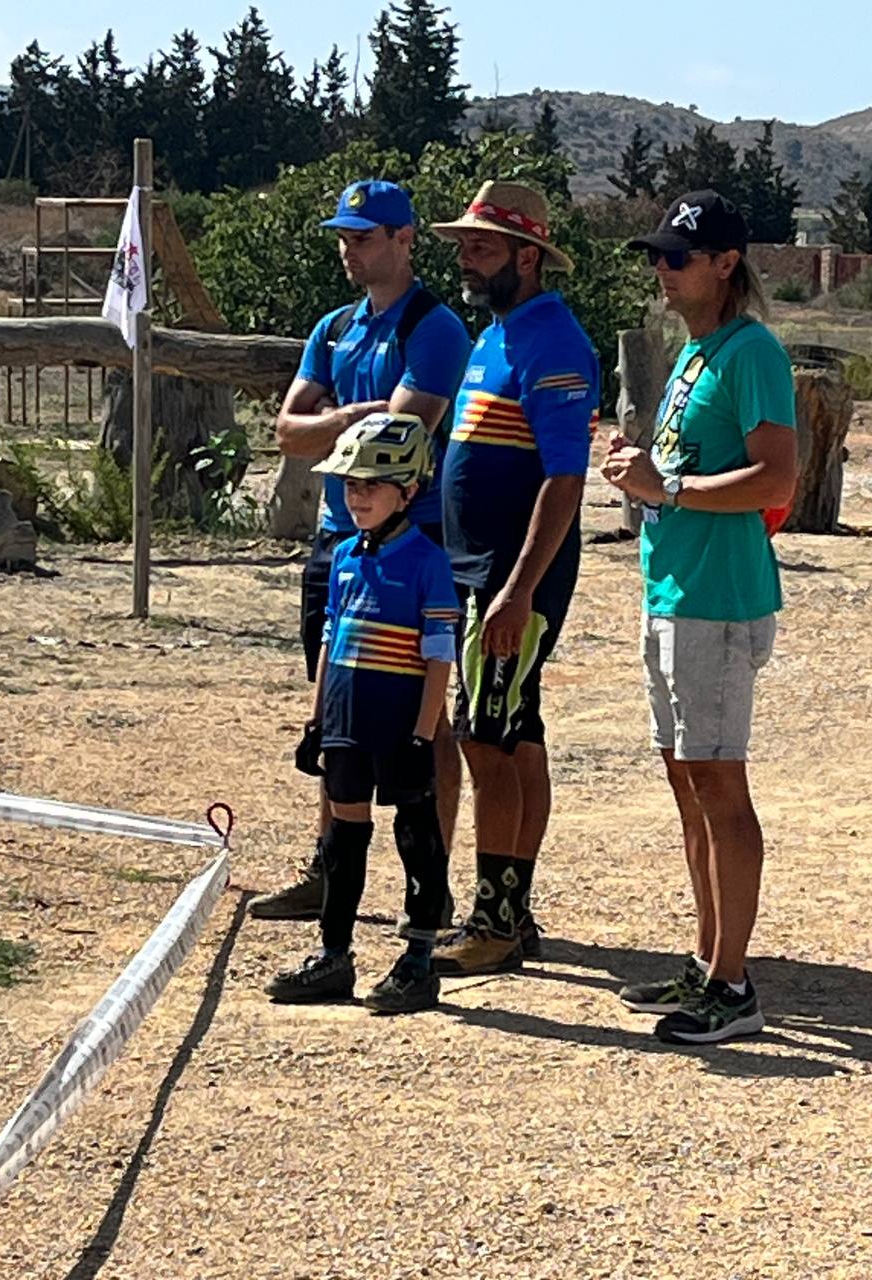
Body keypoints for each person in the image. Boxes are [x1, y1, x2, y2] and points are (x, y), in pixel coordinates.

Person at [602, 189, 797, 1045]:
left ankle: (733, 985)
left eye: (677, 258)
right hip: (675, 588)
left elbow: (777, 481)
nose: (662, 270)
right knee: (688, 783)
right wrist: (643, 473)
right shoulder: (695, 354)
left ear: (726, 264)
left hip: (717, 599)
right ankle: (708, 956)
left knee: (720, 783)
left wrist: (667, 487)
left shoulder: (752, 352)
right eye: (657, 256)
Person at [249, 179, 470, 921]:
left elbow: (394, 447)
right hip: (338, 544)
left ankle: (428, 888)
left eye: (364, 237)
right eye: (343, 236)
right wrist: (359, 414)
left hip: (412, 544)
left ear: (405, 240)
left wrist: (336, 426)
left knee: (425, 715)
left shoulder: (434, 329)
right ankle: (329, 869)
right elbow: (286, 432)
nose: (349, 249)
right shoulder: (334, 326)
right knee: (337, 703)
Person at [425, 181, 600, 977]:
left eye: (483, 248)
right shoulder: (492, 334)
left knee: (485, 738)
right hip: (475, 571)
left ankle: (492, 922)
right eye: (463, 246)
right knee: (515, 734)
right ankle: (512, 912)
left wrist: (519, 587)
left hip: (508, 578)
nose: (467, 260)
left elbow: (565, 479)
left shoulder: (554, 343)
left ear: (528, 258)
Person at [264, 413, 460, 1014]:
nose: (358, 497)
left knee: (415, 835)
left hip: (399, 723)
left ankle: (419, 957)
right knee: (343, 837)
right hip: (347, 720)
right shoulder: (344, 557)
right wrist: (315, 721)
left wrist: (424, 736)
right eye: (350, 485)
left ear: (408, 492)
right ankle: (334, 956)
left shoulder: (427, 561)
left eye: (371, 485)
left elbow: (438, 658)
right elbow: (329, 641)